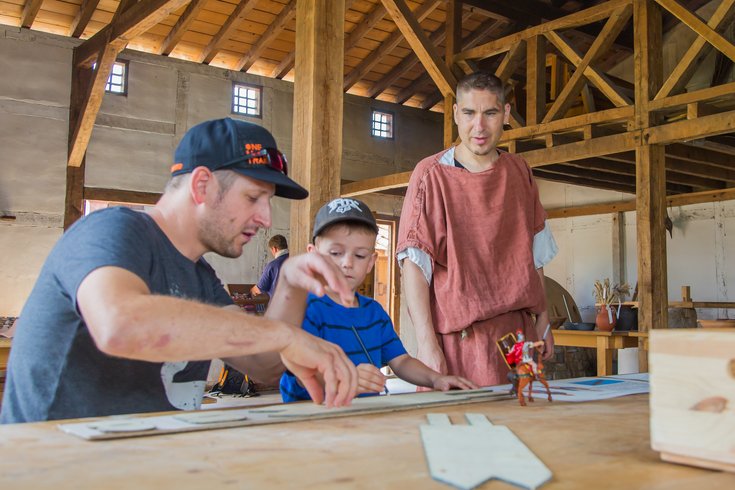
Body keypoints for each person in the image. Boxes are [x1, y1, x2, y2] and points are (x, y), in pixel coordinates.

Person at [1, 117, 360, 424]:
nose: (266, 219)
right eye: (253, 198)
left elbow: (263, 366)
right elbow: (121, 325)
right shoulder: (112, 230)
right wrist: (285, 337)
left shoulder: (201, 278)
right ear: (202, 185)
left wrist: (289, 285)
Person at [396, 72, 558, 387]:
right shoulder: (431, 176)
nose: (479, 126)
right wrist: (427, 345)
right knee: (461, 430)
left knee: (523, 422)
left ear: (506, 114)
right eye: (469, 113)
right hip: (461, 340)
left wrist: (544, 320)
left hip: (519, 335)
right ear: (456, 113)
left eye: (490, 113)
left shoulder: (519, 171)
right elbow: (414, 267)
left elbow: (535, 253)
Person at [280, 197, 477, 402]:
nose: (347, 263)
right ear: (313, 254)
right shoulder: (305, 308)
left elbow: (401, 361)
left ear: (371, 262)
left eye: (360, 255)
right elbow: (303, 371)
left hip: (364, 418)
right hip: (310, 420)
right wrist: (347, 379)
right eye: (336, 253)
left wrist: (436, 379)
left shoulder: (374, 313)